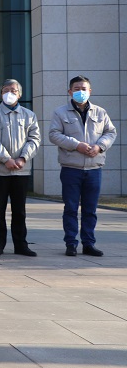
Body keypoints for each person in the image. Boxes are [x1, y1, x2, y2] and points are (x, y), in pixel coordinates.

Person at [48, 75, 117, 257]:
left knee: (90, 210)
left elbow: (111, 132)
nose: (80, 92)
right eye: (76, 89)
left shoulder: (100, 112)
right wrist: (76, 144)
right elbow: (54, 135)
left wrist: (99, 146)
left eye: (84, 89)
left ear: (90, 91)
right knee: (70, 208)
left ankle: (89, 243)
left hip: (94, 169)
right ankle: (71, 243)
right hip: (71, 168)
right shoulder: (60, 113)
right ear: (70, 92)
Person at [0, 79, 41, 256]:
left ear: (20, 94)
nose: (10, 93)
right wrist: (6, 159)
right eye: (6, 90)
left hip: (21, 170)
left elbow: (34, 139)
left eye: (13, 90)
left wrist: (23, 158)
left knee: (19, 210)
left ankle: (21, 245)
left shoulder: (29, 115)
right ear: (1, 93)